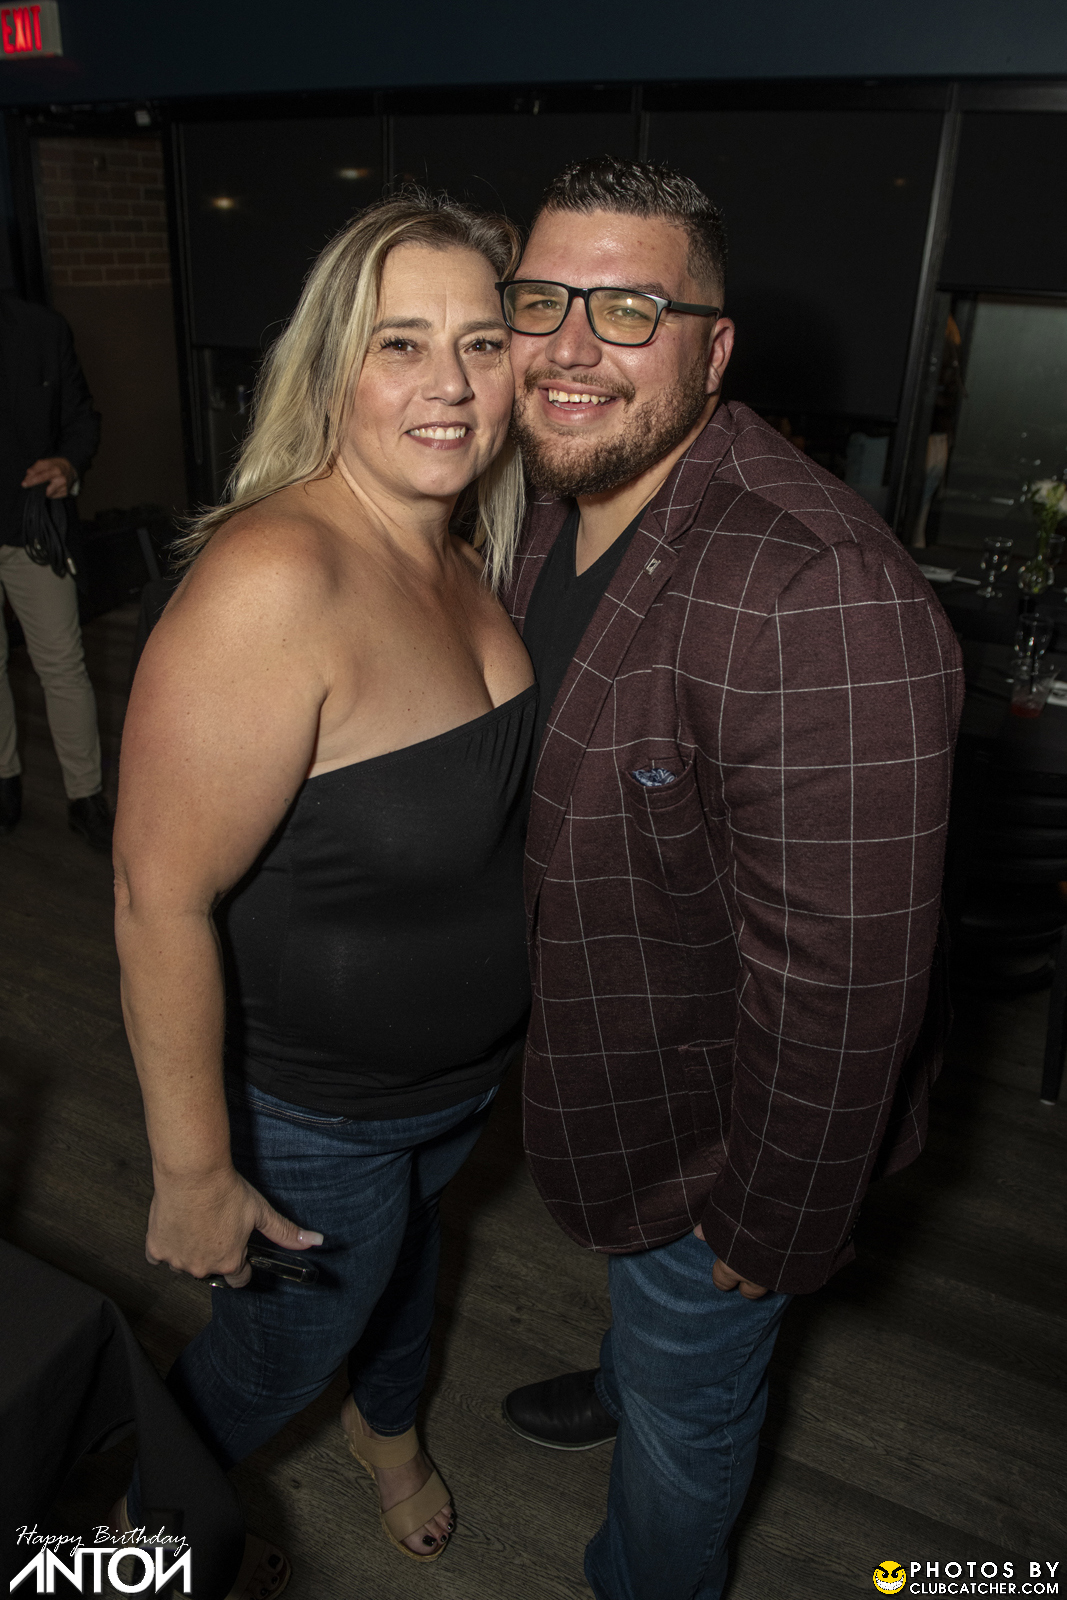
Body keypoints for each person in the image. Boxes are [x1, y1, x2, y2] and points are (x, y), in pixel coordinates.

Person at [496, 157, 963, 1600]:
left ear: (713, 351)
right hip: (609, 1068)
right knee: (649, 1349)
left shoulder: (814, 590)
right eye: (540, 300)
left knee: (689, 1412)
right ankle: (624, 1373)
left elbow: (847, 981)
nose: (569, 346)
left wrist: (766, 1224)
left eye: (628, 309)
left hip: (716, 1154)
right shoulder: (548, 497)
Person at [112, 194, 533, 1596]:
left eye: (480, 343)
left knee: (405, 1268)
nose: (447, 384)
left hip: (454, 1087)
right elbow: (156, 894)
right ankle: (121, 1544)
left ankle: (385, 1427)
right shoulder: (275, 579)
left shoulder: (466, 550)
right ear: (329, 368)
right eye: (399, 343)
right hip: (314, 1112)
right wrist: (192, 1170)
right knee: (274, 1352)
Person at [0, 291, 111, 852]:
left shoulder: (41, 329)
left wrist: (68, 463)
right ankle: (4, 784)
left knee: (62, 665)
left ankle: (86, 796)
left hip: (33, 524)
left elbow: (81, 419)